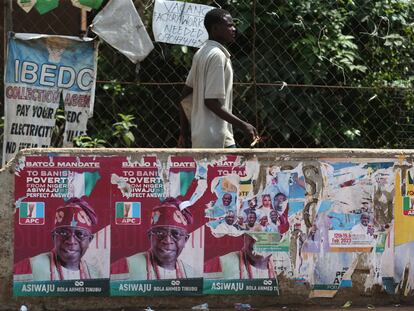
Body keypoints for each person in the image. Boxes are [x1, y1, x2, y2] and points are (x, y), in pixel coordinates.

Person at [178, 8, 258, 148]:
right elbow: (211, 101)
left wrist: (184, 133)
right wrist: (243, 125)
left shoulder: (201, 53)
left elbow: (185, 95)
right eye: (229, 25)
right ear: (215, 28)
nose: (233, 29)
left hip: (201, 137)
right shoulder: (217, 56)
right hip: (217, 139)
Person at [14, 198, 102, 281]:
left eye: (80, 234)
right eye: (63, 233)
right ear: (53, 237)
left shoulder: (96, 274)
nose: (71, 241)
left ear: (90, 240)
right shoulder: (30, 266)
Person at [111, 197, 196, 280]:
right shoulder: (124, 266)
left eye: (176, 234)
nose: (167, 240)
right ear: (150, 236)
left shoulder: (192, 274)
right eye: (160, 233)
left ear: (185, 240)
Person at [204, 234, 276, 279]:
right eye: (251, 232)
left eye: (264, 232)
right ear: (243, 236)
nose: (256, 240)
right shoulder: (222, 263)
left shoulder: (285, 265)